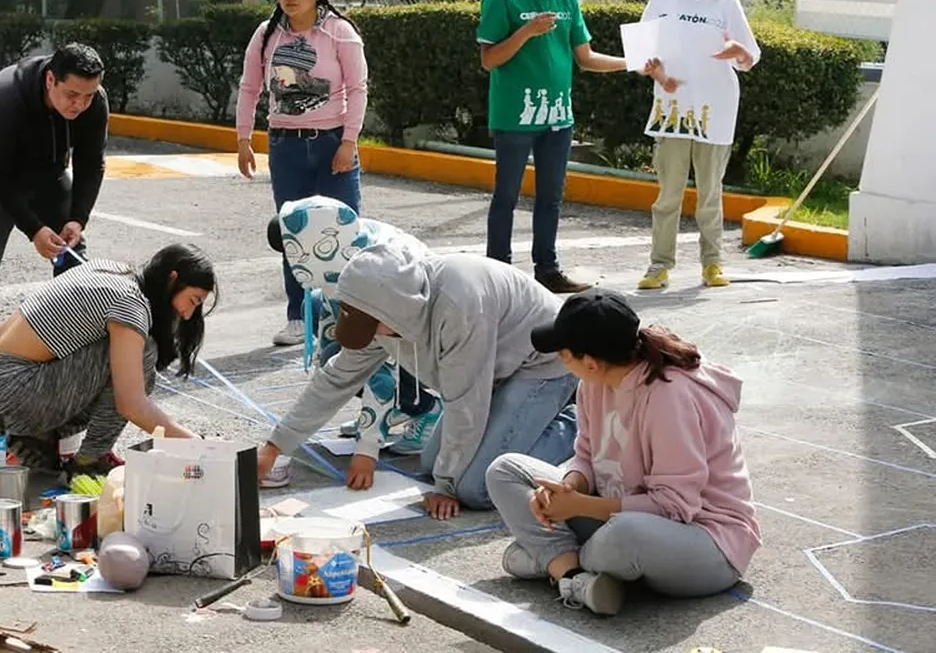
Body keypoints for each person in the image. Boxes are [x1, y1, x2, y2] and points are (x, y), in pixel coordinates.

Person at [485, 288, 760, 616]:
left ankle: (554, 559)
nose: (559, 358)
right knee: (505, 470)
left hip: (704, 541)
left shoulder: (669, 396)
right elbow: (586, 453)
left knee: (626, 533)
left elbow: (675, 504)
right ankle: (573, 575)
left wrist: (580, 507)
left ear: (589, 361)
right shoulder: (592, 384)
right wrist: (569, 487)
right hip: (621, 511)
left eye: (563, 352)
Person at [256, 244, 579, 517]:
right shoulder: (379, 312)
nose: (369, 334)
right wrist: (274, 446)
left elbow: (467, 403)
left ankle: (576, 423)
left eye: (373, 324)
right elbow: (336, 379)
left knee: (476, 488)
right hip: (494, 371)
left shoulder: (459, 306)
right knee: (429, 461)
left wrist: (446, 488)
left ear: (399, 310)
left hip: (543, 363)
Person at [0, 243, 216, 477]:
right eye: (193, 300)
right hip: (13, 389)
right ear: (172, 279)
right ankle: (91, 460)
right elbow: (132, 404)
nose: (188, 314)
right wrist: (197, 446)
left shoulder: (113, 271)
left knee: (128, 357)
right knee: (142, 355)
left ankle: (37, 438)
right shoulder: (130, 304)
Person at [478, 0, 627, 295]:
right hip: (516, 116)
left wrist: (633, 62)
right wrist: (526, 32)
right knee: (507, 196)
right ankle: (500, 273)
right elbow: (489, 59)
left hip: (558, 118)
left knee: (551, 197)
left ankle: (548, 269)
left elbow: (586, 57)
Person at [0, 43, 109, 371]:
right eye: (72, 95)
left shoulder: (94, 101)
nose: (80, 104)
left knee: (73, 256)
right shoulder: (5, 97)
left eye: (88, 95)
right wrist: (33, 229)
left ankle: (74, 342)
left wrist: (78, 218)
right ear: (51, 80)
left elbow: (91, 163)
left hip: (49, 173)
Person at [265, 196, 444, 489]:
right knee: (334, 354)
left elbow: (372, 361)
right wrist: (281, 440)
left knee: (360, 362)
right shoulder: (343, 245)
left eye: (290, 250)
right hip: (399, 339)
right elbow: (336, 363)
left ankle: (427, 409)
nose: (291, 261)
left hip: (423, 341)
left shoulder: (371, 275)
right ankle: (400, 408)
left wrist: (367, 447)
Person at [235, 0, 368, 348]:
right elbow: (249, 88)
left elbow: (358, 89)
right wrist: (244, 139)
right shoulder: (266, 34)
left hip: (331, 143)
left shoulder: (341, 33)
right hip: (285, 146)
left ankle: (350, 317)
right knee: (292, 231)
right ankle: (298, 316)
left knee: (345, 231)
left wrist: (348, 141)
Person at [637, 0, 761, 290]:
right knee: (668, 194)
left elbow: (749, 58)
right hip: (672, 110)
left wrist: (738, 51)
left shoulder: (726, 3)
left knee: (710, 192)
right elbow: (642, 51)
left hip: (715, 109)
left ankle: (712, 264)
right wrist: (659, 73)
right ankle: (659, 265)